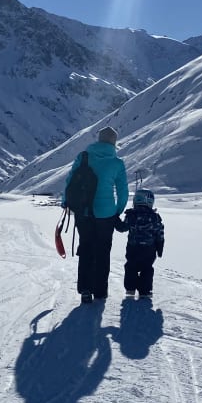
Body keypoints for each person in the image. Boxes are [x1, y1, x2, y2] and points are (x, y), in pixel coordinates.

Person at [62, 126, 128, 303]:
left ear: (99, 139)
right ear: (114, 143)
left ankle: (85, 289)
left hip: (83, 212)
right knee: (102, 252)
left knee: (86, 249)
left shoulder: (83, 156)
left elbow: (70, 181)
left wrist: (65, 202)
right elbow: (123, 192)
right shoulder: (117, 163)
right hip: (106, 214)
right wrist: (117, 211)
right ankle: (100, 291)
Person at [115, 189, 164, 299]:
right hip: (149, 249)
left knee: (131, 267)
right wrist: (160, 247)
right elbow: (159, 233)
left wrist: (115, 219)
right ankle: (145, 291)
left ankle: (130, 289)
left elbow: (122, 228)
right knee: (147, 268)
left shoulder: (132, 215)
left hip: (133, 248)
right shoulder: (155, 217)